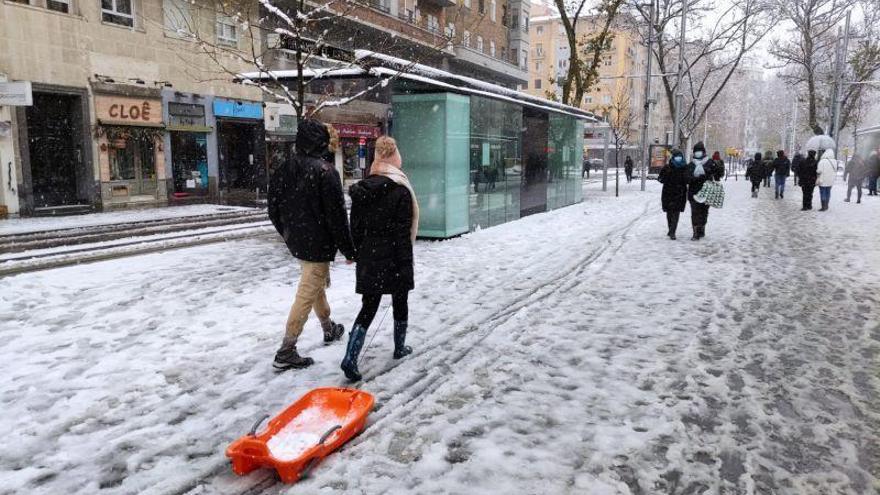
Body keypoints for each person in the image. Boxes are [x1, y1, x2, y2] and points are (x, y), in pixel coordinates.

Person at [267, 119, 356, 371]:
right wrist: (349, 249)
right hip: (318, 244)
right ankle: (286, 350)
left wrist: (288, 233)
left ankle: (329, 329)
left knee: (314, 285)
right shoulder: (326, 172)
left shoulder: (284, 168)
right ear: (321, 142)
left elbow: (273, 208)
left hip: (298, 242)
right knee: (307, 292)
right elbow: (337, 217)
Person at [341, 136, 419, 382]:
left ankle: (350, 357)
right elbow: (403, 232)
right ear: (396, 158)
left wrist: (356, 254)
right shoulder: (401, 190)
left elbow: (356, 226)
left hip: (370, 255)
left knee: (369, 306)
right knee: (400, 299)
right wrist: (406, 263)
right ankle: (399, 347)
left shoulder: (364, 189)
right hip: (395, 254)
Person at [687, 141, 723, 240]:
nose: (698, 153)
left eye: (700, 151)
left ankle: (702, 228)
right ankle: (695, 233)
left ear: (703, 152)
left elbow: (717, 174)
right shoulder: (691, 164)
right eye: (696, 151)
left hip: (707, 192)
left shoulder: (710, 162)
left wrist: (710, 170)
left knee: (703, 212)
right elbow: (687, 178)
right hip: (693, 193)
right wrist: (695, 178)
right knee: (695, 212)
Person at [658, 148, 689, 240]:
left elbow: (687, 180)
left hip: (680, 193)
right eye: (676, 157)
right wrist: (665, 176)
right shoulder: (667, 167)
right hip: (668, 193)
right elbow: (661, 179)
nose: (678, 158)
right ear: (673, 157)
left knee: (676, 212)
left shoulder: (684, 167)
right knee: (669, 213)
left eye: (680, 157)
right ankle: (670, 229)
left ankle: (672, 232)